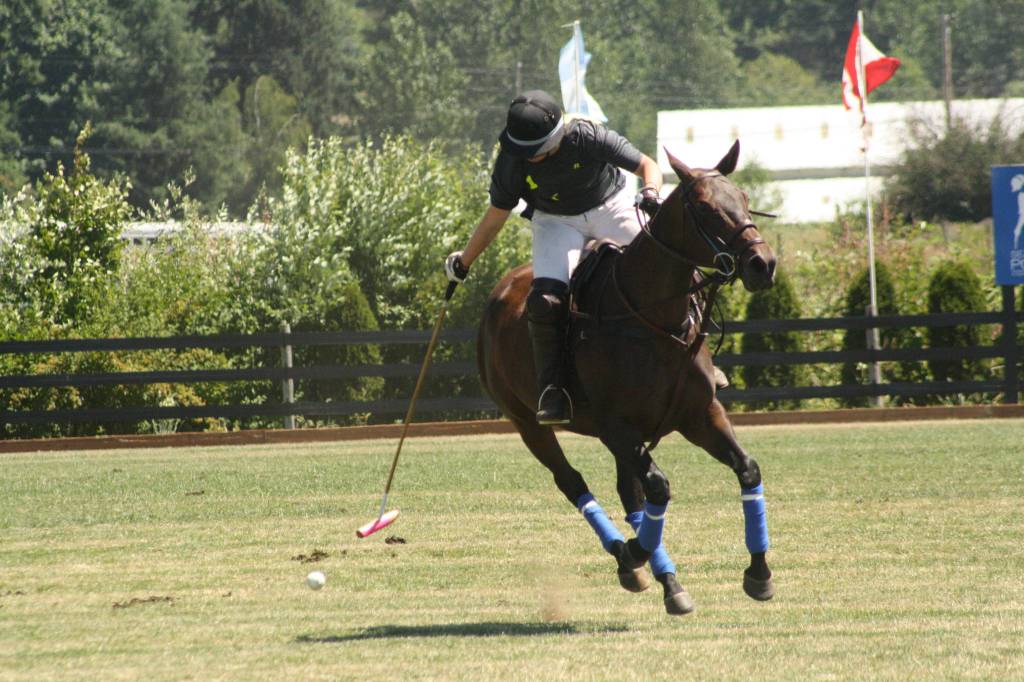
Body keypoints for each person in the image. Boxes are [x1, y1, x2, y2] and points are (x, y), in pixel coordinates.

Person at [444, 89, 663, 426]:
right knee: (545, 301)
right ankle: (552, 389)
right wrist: (465, 261)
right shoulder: (511, 160)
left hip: (611, 205)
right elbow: (496, 215)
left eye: (533, 150)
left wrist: (650, 192)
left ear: (556, 136)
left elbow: (647, 165)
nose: (526, 157)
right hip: (557, 220)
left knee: (660, 262)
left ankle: (697, 355)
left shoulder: (587, 135)